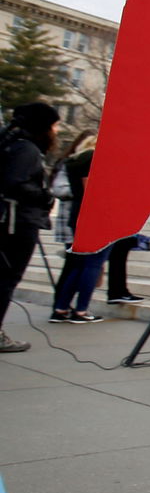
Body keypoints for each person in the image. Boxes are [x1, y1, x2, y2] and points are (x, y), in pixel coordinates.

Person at [0, 103, 60, 352]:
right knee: (7, 279)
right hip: (16, 223)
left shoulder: (11, 145)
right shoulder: (27, 150)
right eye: (54, 126)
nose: (56, 131)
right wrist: (44, 196)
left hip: (12, 220)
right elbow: (15, 182)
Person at [49, 135, 106, 325]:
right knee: (93, 264)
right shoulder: (91, 159)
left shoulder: (73, 161)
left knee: (79, 264)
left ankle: (61, 307)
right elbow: (91, 189)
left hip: (78, 215)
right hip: (96, 217)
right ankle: (81, 310)